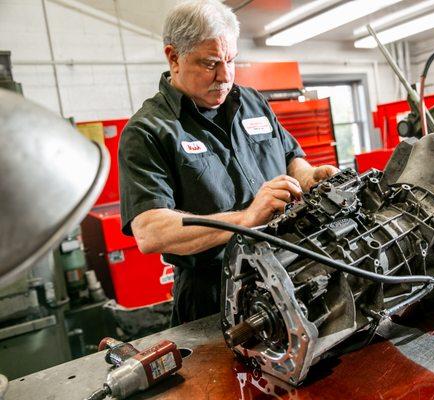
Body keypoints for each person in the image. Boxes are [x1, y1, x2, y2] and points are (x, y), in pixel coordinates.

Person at [118, 0, 338, 326]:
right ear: (173, 57)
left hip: (289, 270)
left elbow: (291, 156)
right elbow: (150, 231)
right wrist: (245, 219)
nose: (224, 76)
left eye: (231, 60)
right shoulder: (147, 131)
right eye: (210, 64)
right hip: (214, 296)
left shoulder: (250, 101)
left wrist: (309, 176)